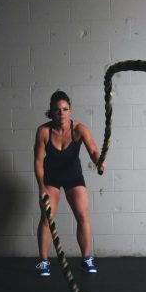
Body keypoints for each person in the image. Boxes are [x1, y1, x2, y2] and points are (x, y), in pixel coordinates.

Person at [33, 90, 106, 277]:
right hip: (51, 178)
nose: (62, 113)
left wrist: (99, 161)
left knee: (83, 215)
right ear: (52, 111)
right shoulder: (43, 131)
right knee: (47, 218)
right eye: (57, 110)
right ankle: (43, 262)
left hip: (73, 176)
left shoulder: (79, 129)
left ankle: (86, 259)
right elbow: (39, 162)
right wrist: (41, 188)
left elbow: (93, 150)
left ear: (70, 110)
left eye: (65, 109)